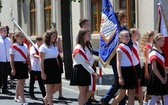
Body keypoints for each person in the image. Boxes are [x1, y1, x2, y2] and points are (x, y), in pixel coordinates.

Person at [100, 9, 128, 105]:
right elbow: (110, 45)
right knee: (119, 81)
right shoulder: (115, 30)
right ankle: (106, 99)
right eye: (124, 16)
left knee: (122, 82)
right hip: (116, 58)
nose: (127, 17)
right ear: (120, 18)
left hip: (124, 59)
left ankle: (119, 101)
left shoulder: (125, 28)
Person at [70, 28, 98, 105]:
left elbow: (91, 58)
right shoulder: (78, 48)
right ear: (82, 36)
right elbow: (83, 63)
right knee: (83, 91)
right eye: (88, 34)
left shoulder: (87, 46)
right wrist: (93, 72)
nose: (89, 36)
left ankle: (81, 103)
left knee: (91, 91)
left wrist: (89, 63)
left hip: (87, 69)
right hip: (80, 70)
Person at [111, 30, 138, 105]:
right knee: (122, 94)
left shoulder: (128, 46)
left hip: (130, 70)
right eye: (125, 36)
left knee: (132, 92)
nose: (128, 37)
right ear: (120, 37)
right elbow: (118, 63)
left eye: (128, 35)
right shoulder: (120, 48)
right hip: (123, 71)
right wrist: (120, 76)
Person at [39, 30, 61, 105]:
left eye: (55, 36)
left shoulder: (54, 46)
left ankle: (46, 98)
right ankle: (50, 103)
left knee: (58, 86)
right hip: (48, 67)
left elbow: (57, 57)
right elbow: (41, 60)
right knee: (49, 87)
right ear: (49, 37)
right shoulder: (43, 47)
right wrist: (42, 72)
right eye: (53, 36)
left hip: (55, 67)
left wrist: (59, 68)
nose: (55, 38)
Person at [10, 31, 30, 105]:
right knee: (21, 83)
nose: (21, 38)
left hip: (24, 64)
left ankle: (16, 96)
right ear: (16, 37)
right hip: (17, 65)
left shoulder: (25, 45)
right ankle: (23, 100)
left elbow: (27, 56)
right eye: (20, 36)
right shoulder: (13, 46)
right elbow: (11, 59)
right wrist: (13, 68)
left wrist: (29, 65)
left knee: (22, 82)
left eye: (22, 36)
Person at [147, 33, 168, 105]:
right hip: (156, 76)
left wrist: (165, 75)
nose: (164, 42)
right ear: (156, 41)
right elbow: (154, 68)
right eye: (162, 40)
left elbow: (163, 65)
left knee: (166, 94)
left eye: (164, 40)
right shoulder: (153, 52)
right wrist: (161, 79)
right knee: (155, 96)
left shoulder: (162, 51)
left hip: (162, 74)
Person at [139, 31, 155, 105]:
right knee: (149, 86)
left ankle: (155, 101)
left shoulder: (152, 45)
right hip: (148, 66)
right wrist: (146, 71)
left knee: (152, 86)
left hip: (152, 66)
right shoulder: (147, 46)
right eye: (152, 35)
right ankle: (145, 102)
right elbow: (146, 60)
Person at [130, 28, 143, 105]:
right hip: (131, 66)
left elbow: (137, 55)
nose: (138, 34)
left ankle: (141, 102)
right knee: (132, 87)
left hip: (137, 65)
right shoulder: (129, 44)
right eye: (137, 33)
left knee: (139, 84)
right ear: (133, 34)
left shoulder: (136, 43)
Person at [0, 26, 12, 94]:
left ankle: (5, 88)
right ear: (0, 32)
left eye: (6, 30)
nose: (6, 32)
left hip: (7, 60)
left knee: (6, 74)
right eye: (4, 30)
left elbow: (10, 49)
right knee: (1, 73)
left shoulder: (9, 40)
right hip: (1, 60)